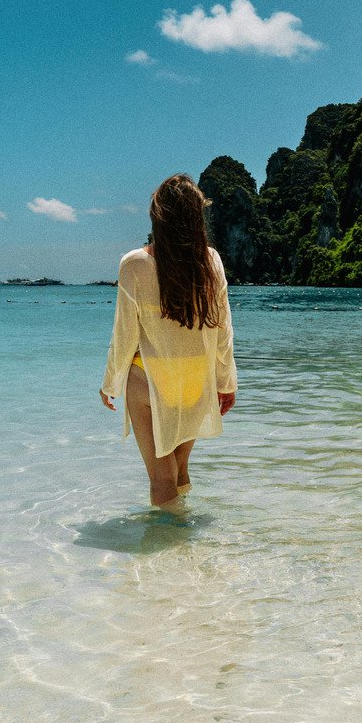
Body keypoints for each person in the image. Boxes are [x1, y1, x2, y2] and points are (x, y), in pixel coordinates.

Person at [100, 174, 237, 509]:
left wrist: (111, 381)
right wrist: (226, 382)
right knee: (179, 469)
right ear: (196, 216)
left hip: (148, 378)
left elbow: (125, 333)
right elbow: (222, 330)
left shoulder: (134, 263)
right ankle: (183, 546)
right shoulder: (211, 261)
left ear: (157, 215)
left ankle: (168, 547)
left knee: (161, 478)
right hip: (194, 378)